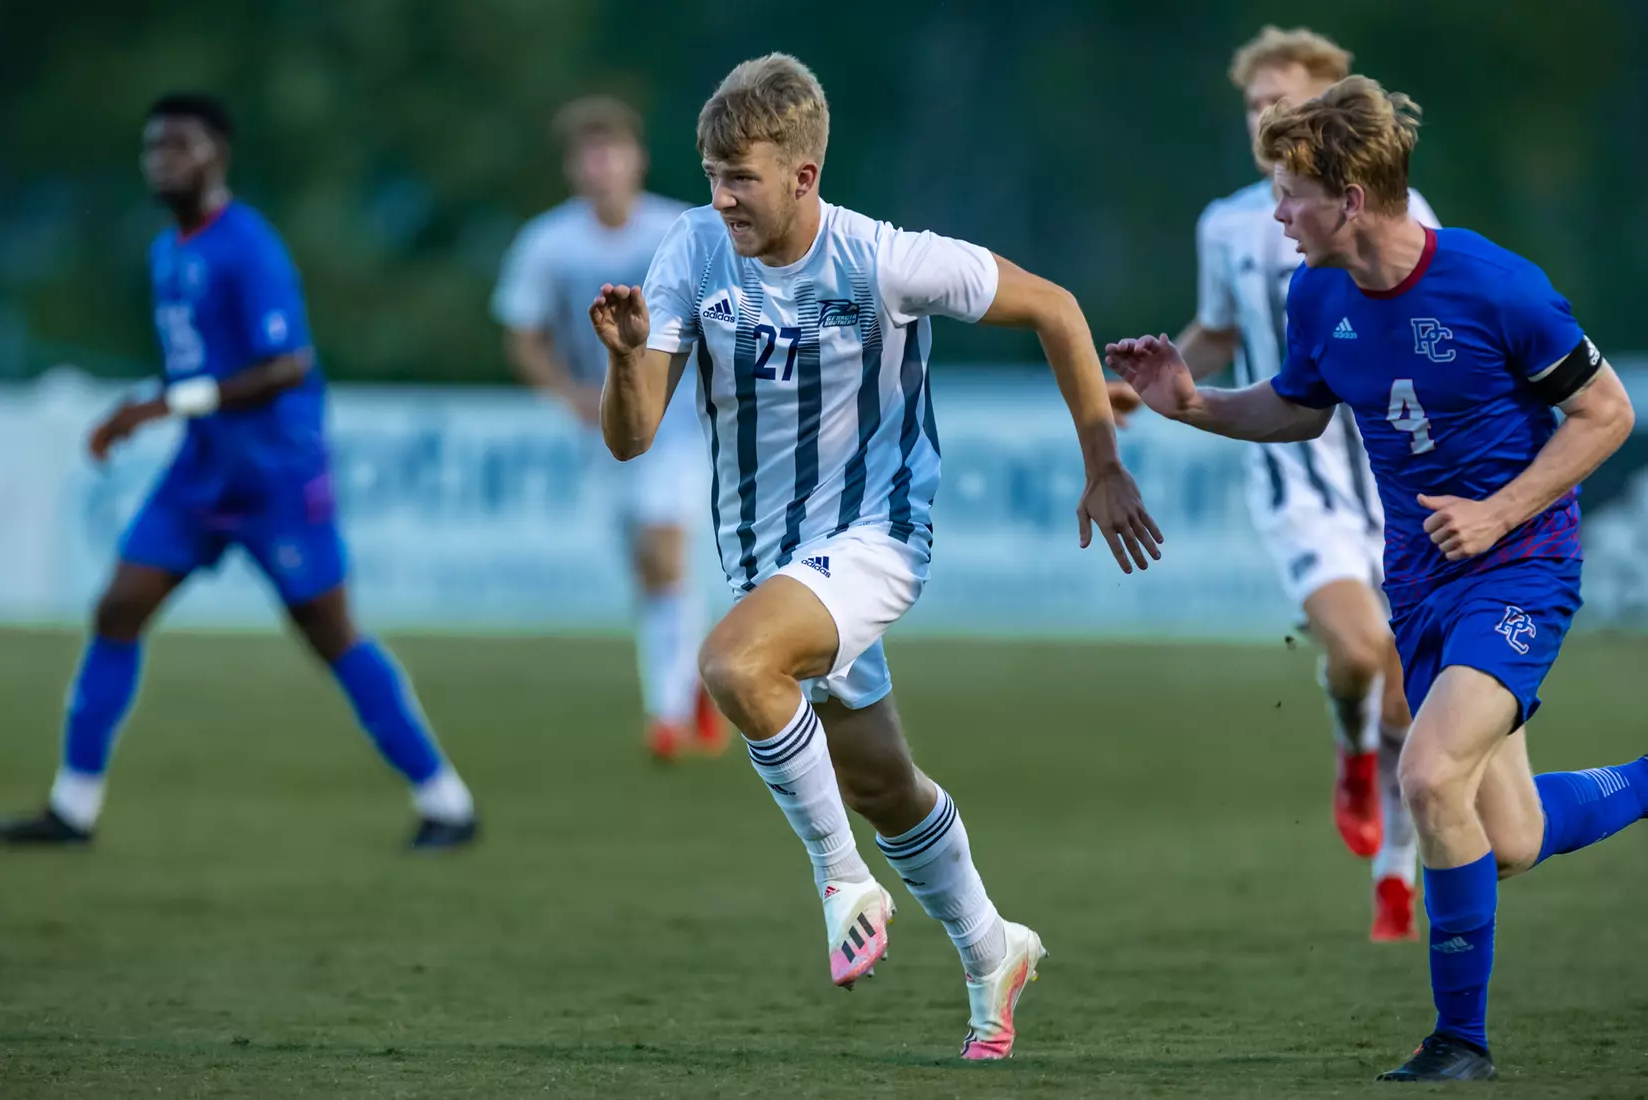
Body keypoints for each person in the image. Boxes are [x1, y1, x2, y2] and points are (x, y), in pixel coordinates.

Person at [590, 54, 1161, 1059]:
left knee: (731, 663)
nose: (723, 194)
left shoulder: (883, 259)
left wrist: (1103, 462)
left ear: (804, 175)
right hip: (769, 559)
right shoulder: (690, 247)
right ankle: (994, 945)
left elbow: (1057, 307)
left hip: (876, 536)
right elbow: (633, 436)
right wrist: (626, 354)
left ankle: (842, 877)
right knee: (883, 779)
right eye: (715, 172)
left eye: (743, 176)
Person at [1107, 75, 1642, 1082]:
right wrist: (1186, 402)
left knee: (1430, 774)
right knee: (1510, 835)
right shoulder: (1313, 292)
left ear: (1350, 198)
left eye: (1293, 193)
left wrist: (1497, 510)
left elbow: (1607, 413)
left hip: (1520, 570)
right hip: (1421, 582)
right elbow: (1297, 409)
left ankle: (1460, 1041)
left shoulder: (1496, 286)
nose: (1275, 213)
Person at [0, 94, 477, 851]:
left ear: (218, 156)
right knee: (118, 608)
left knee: (330, 634)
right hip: (202, 470)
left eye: (180, 146)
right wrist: (170, 408)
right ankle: (72, 808)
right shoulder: (168, 251)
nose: (162, 160)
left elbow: (288, 364)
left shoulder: (247, 246)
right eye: (154, 147)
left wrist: (161, 405)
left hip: (276, 476)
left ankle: (446, 800)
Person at [1112, 27, 1438, 940]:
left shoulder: (1414, 223)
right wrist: (1161, 379)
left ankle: (1395, 873)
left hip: (1394, 477)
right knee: (1357, 653)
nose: (1265, 117)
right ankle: (1350, 751)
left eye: (1283, 102)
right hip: (1297, 476)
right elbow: (1219, 331)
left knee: (1410, 693)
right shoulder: (1227, 225)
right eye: (1255, 103)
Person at [493, 97, 720, 760]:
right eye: (588, 154)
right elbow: (523, 332)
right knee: (647, 569)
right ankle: (696, 674)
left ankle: (667, 715)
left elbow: (724, 315)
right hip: (602, 426)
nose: (602, 166)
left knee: (663, 548)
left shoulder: (679, 229)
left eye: (612, 150)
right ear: (573, 168)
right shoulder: (548, 243)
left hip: (677, 420)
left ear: (636, 159)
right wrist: (565, 392)